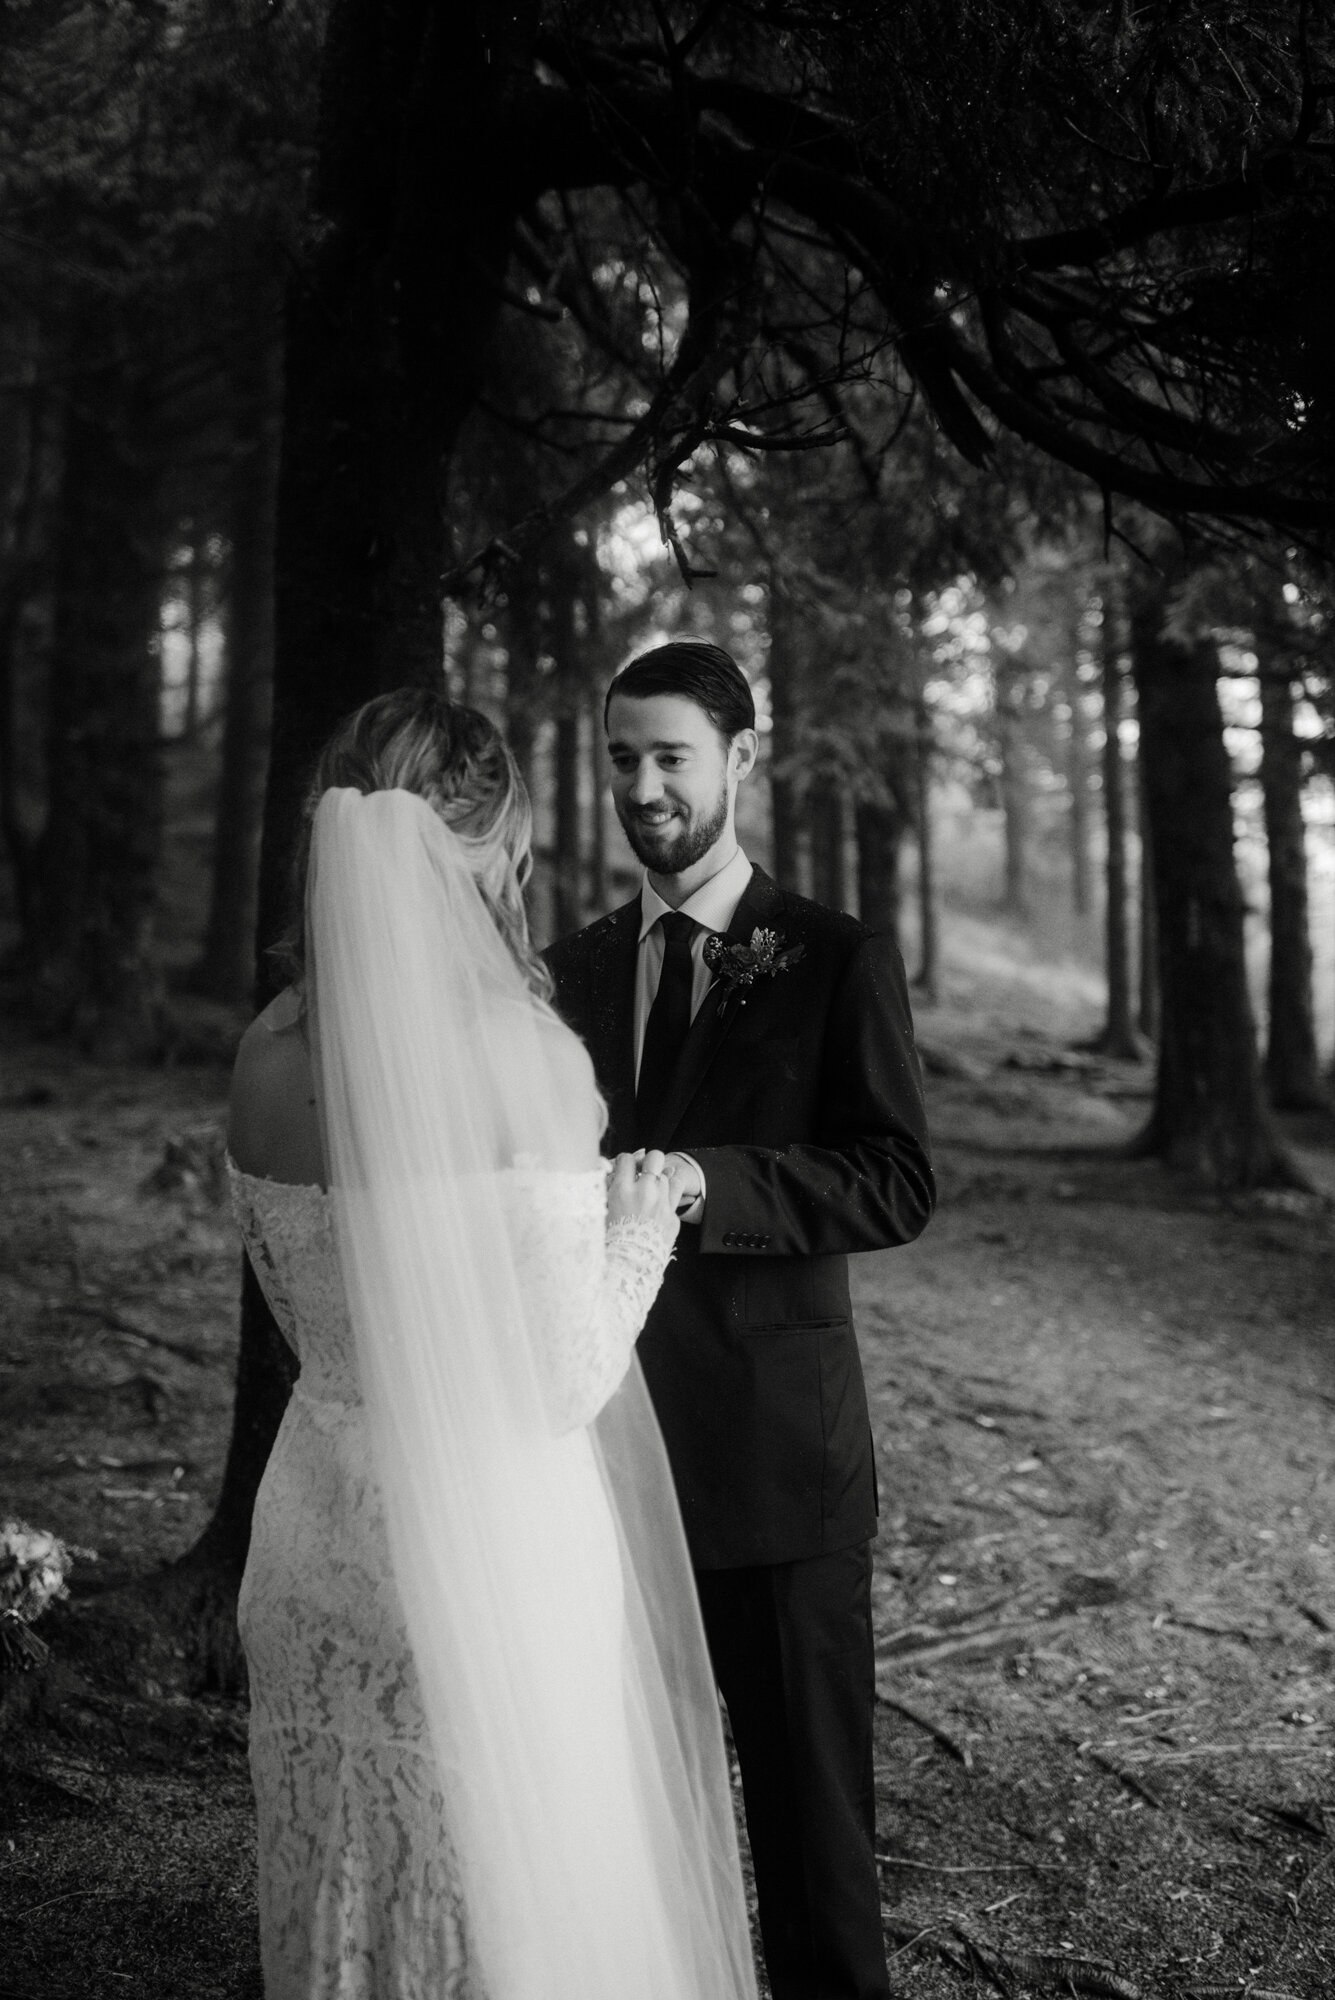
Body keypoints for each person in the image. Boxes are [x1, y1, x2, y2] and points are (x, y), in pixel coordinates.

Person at [226, 688, 759, 2000]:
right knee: (504, 1915)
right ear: (488, 848)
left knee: (342, 1902)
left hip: (312, 1547)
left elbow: (307, 1321)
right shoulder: (523, 1059)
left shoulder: (260, 1055)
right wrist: (637, 1228)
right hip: (492, 1553)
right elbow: (563, 1376)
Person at [546, 640, 936, 2000]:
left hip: (780, 1470)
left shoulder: (833, 955)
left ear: (742, 760)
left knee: (813, 1842)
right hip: (604, 1457)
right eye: (622, 759)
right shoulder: (574, 969)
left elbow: (898, 1178)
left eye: (671, 757)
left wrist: (718, 1183)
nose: (644, 787)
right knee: (640, 1830)